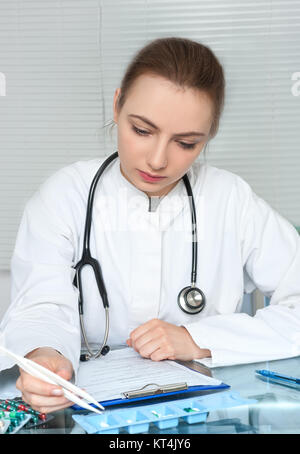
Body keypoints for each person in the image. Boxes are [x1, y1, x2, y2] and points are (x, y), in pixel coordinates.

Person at [1, 37, 300, 415]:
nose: (158, 160)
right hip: (87, 411)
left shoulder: (231, 199)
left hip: (205, 415)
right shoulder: (64, 196)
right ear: (117, 103)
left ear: (209, 135)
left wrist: (198, 339)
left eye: (186, 142)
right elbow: (39, 306)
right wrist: (44, 356)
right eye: (142, 130)